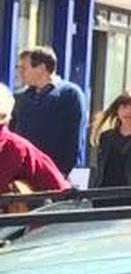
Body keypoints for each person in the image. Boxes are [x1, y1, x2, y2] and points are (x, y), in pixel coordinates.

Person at [12, 45, 88, 180]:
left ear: (41, 68)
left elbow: (74, 136)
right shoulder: (20, 97)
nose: (20, 73)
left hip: (53, 173)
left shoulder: (69, 94)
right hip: (21, 173)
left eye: (24, 68)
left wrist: (63, 172)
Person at [0, 85, 72, 198]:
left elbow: (60, 192)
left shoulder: (18, 148)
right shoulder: (19, 147)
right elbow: (61, 191)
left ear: (4, 116)